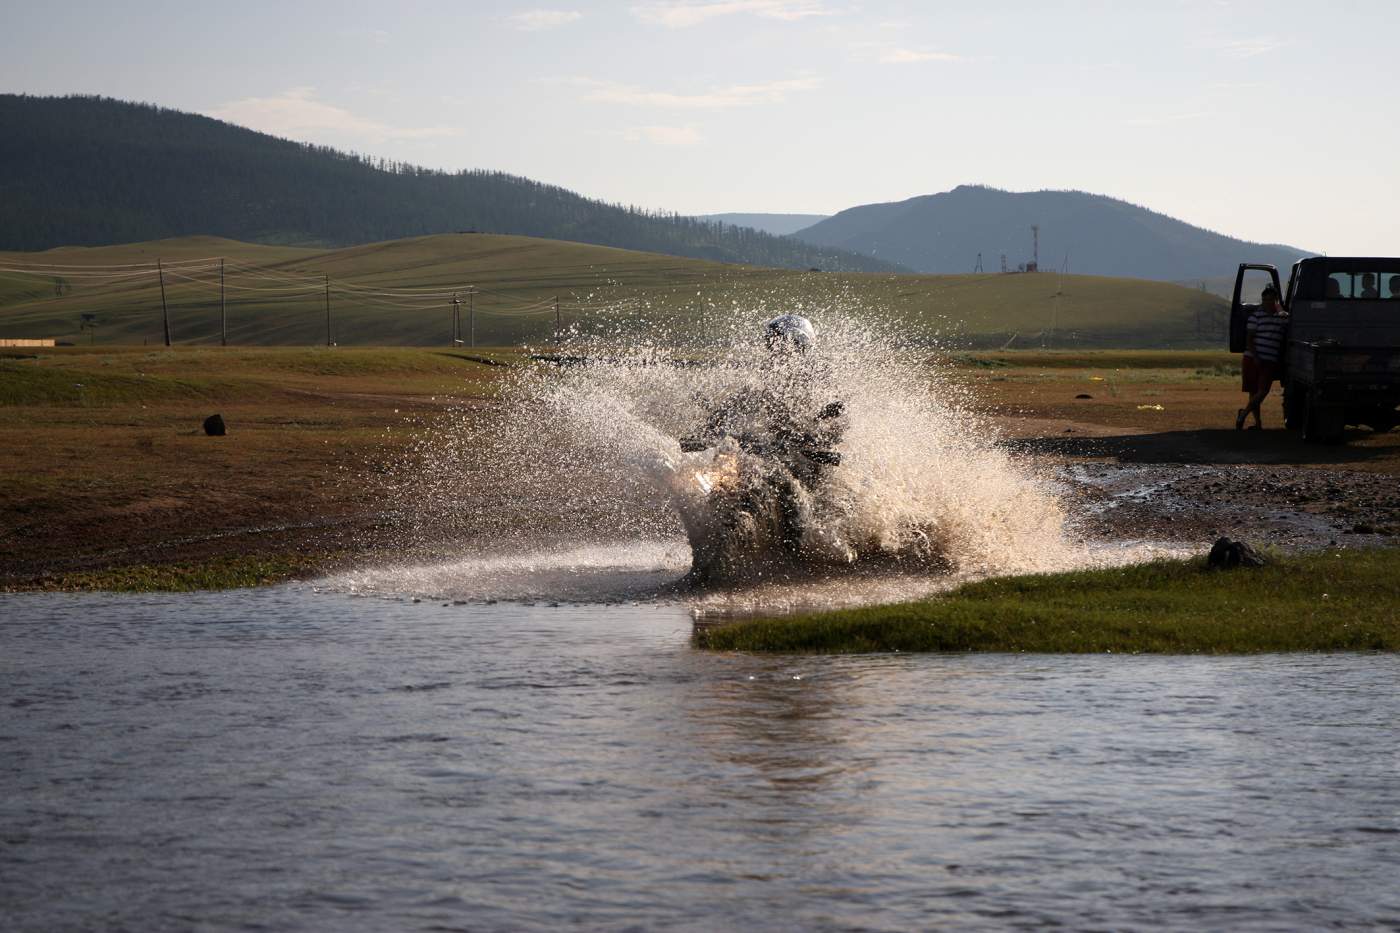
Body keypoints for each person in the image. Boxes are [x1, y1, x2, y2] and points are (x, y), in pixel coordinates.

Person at [681, 314, 845, 551]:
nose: (775, 349)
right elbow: (742, 402)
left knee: (803, 498)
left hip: (808, 459)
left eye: (781, 342)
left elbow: (835, 419)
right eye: (771, 343)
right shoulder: (768, 378)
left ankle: (811, 544)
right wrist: (708, 430)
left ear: (800, 344)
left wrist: (816, 434)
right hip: (772, 451)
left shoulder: (818, 379)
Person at [1237, 286, 1288, 430]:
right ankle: (1258, 423)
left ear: (1276, 301)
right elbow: (1249, 339)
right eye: (1265, 299)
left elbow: (1287, 321)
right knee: (1254, 391)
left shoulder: (1282, 317)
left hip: (1269, 360)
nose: (1267, 302)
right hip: (1253, 358)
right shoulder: (1255, 316)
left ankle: (1243, 414)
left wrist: (1279, 309)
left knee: (1263, 391)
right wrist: (1256, 356)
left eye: (1271, 299)